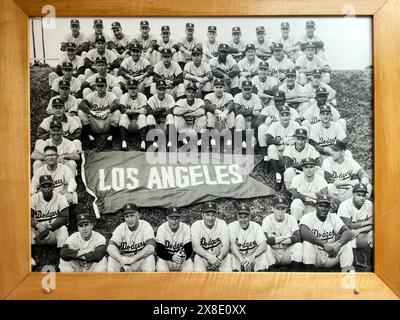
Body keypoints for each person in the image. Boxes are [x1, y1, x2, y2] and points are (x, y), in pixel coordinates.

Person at [300, 194, 354, 272]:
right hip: (316, 255)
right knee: (307, 243)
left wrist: (338, 244)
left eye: (326, 206)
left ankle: (347, 273)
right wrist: (323, 244)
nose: (323, 209)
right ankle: (309, 273)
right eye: (321, 206)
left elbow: (348, 232)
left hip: (331, 254)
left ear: (329, 207)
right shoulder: (308, 217)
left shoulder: (334, 217)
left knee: (346, 243)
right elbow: (304, 233)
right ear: (316, 206)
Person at [107, 203, 156, 272]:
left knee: (150, 258)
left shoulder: (145, 226)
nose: (129, 219)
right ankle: (114, 282)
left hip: (140, 260)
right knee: (111, 259)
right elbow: (110, 247)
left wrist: (133, 259)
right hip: (124, 261)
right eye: (127, 216)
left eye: (132, 216)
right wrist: (120, 258)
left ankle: (147, 282)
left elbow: (151, 247)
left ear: (138, 215)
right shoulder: (121, 228)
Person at [262, 105, 300, 190]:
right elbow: (268, 140)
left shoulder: (295, 124)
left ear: (290, 115)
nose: (285, 117)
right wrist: (280, 141)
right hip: (279, 155)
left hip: (292, 155)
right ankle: (278, 174)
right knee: (271, 147)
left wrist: (294, 141)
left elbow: (301, 138)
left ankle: (288, 175)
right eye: (282, 115)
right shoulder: (275, 125)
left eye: (287, 115)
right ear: (279, 116)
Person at [78, 77, 121, 150]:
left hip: (106, 122)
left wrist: (107, 111)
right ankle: (91, 137)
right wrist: (92, 112)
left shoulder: (110, 95)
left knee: (117, 112)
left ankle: (110, 137)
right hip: (94, 121)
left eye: (102, 86)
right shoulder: (92, 95)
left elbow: (117, 104)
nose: (100, 88)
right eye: (98, 86)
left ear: (106, 86)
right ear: (95, 87)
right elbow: (82, 104)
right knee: (81, 112)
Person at [262, 196, 303, 271]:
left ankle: (294, 271)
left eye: (283, 209)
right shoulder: (267, 220)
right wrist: (285, 238)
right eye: (277, 208)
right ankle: (272, 271)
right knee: (266, 247)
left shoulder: (291, 219)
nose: (280, 212)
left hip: (287, 251)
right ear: (272, 208)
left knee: (299, 246)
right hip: (274, 253)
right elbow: (265, 240)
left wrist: (275, 239)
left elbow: (298, 237)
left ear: (286, 209)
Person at [338, 183, 373, 268]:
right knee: (349, 234)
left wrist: (359, 230)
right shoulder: (344, 205)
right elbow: (347, 225)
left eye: (363, 195)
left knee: (375, 234)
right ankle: (355, 255)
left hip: (360, 233)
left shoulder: (369, 204)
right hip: (346, 235)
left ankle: (364, 254)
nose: (361, 198)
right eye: (359, 195)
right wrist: (366, 222)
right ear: (353, 194)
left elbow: (374, 224)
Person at [228, 203, 271, 272]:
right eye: (240, 217)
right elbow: (232, 246)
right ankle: (236, 279)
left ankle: (260, 278)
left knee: (263, 254)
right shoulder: (232, 226)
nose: (243, 220)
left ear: (250, 217)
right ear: (237, 217)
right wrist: (242, 260)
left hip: (252, 259)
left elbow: (264, 244)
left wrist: (253, 256)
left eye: (245, 217)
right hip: (239, 258)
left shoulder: (256, 227)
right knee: (231, 256)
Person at [31, 175, 69, 250]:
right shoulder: (34, 198)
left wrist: (50, 227)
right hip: (38, 233)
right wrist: (37, 225)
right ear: (40, 188)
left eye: (49, 186)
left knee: (63, 229)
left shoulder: (61, 198)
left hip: (53, 232)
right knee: (25, 230)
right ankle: (31, 255)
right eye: (44, 187)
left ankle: (63, 255)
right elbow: (27, 217)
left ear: (53, 186)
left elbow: (65, 217)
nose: (46, 189)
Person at [191, 202, 231, 271]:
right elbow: (196, 246)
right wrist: (209, 257)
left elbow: (226, 245)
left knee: (228, 257)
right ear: (202, 215)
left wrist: (219, 259)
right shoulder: (196, 225)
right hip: (203, 257)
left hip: (219, 257)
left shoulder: (222, 224)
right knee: (197, 257)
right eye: (208, 215)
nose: (210, 218)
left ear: (216, 215)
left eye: (213, 215)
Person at [289, 157, 328, 222]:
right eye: (306, 167)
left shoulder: (320, 179)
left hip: (315, 207)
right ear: (303, 168)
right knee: (296, 202)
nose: (309, 169)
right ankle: (296, 227)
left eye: (311, 167)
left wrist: (302, 194)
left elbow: (324, 196)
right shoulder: (297, 178)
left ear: (315, 168)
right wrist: (312, 196)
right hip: (303, 207)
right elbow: (294, 195)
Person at [155, 207, 194, 272]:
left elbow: (188, 249)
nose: (174, 222)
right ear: (167, 218)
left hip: (181, 259)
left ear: (180, 218)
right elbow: (159, 251)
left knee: (189, 269)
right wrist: (172, 257)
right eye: (171, 219)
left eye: (176, 218)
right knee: (161, 269)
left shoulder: (185, 228)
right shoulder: (162, 228)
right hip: (166, 259)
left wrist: (183, 255)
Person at [204, 78, 235, 147]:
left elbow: (231, 105)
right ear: (213, 88)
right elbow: (207, 105)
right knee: (209, 114)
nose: (219, 89)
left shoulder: (228, 95)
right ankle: (213, 138)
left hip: (225, 122)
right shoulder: (209, 96)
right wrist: (219, 112)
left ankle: (229, 138)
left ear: (224, 88)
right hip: (215, 123)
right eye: (217, 87)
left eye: (221, 87)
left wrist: (224, 113)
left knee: (231, 114)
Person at [118, 79, 148, 151]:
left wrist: (129, 112)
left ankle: (143, 143)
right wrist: (137, 111)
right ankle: (123, 142)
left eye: (134, 88)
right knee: (123, 116)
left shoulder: (142, 96)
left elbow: (144, 111)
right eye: (130, 88)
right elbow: (123, 110)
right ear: (127, 89)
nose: (132, 90)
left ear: (137, 88)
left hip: (139, 124)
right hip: (128, 124)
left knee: (142, 116)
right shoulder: (124, 96)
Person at [146, 80, 176, 150]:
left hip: (166, 126)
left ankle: (170, 142)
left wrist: (156, 112)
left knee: (170, 116)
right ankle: (153, 143)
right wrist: (162, 109)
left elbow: (172, 111)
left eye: (163, 89)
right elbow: (149, 112)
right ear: (156, 90)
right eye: (159, 89)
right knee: (149, 117)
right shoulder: (152, 99)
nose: (161, 92)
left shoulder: (170, 98)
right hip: (155, 126)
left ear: (166, 90)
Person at [233, 80, 263, 149]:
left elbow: (257, 114)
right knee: (239, 117)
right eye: (245, 89)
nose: (247, 91)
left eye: (249, 89)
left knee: (252, 146)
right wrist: (251, 112)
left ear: (252, 89)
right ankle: (240, 141)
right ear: (242, 89)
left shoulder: (255, 97)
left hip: (251, 123)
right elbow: (237, 111)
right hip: (241, 123)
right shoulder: (238, 96)